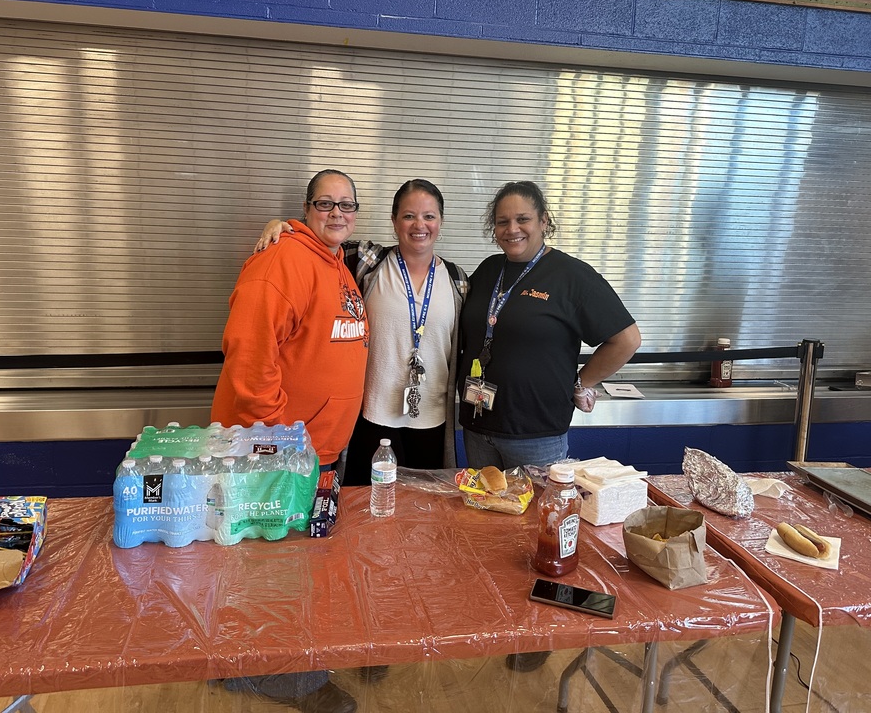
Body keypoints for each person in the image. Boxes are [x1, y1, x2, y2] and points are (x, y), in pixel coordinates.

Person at [457, 180, 641, 674]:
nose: (512, 229)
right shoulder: (488, 271)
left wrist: (583, 379)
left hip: (536, 434)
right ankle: (495, 617)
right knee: (488, 531)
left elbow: (626, 338)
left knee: (542, 539)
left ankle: (535, 634)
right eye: (502, 221)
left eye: (522, 220)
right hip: (478, 428)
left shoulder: (571, 276)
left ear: (543, 222)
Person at [211, 168, 368, 713]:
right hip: (276, 456)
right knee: (273, 571)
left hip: (314, 452)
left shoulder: (337, 262)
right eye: (325, 203)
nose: (337, 212)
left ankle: (274, 664)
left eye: (347, 204)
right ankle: (278, 677)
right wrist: (280, 446)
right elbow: (251, 362)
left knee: (296, 567)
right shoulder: (283, 259)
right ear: (306, 209)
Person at [257, 179, 468, 485]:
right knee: (367, 505)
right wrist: (281, 226)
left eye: (429, 216)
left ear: (441, 221)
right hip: (372, 415)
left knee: (425, 511)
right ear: (394, 221)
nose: (419, 225)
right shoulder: (367, 262)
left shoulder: (457, 280)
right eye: (409, 215)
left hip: (432, 419)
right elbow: (321, 241)